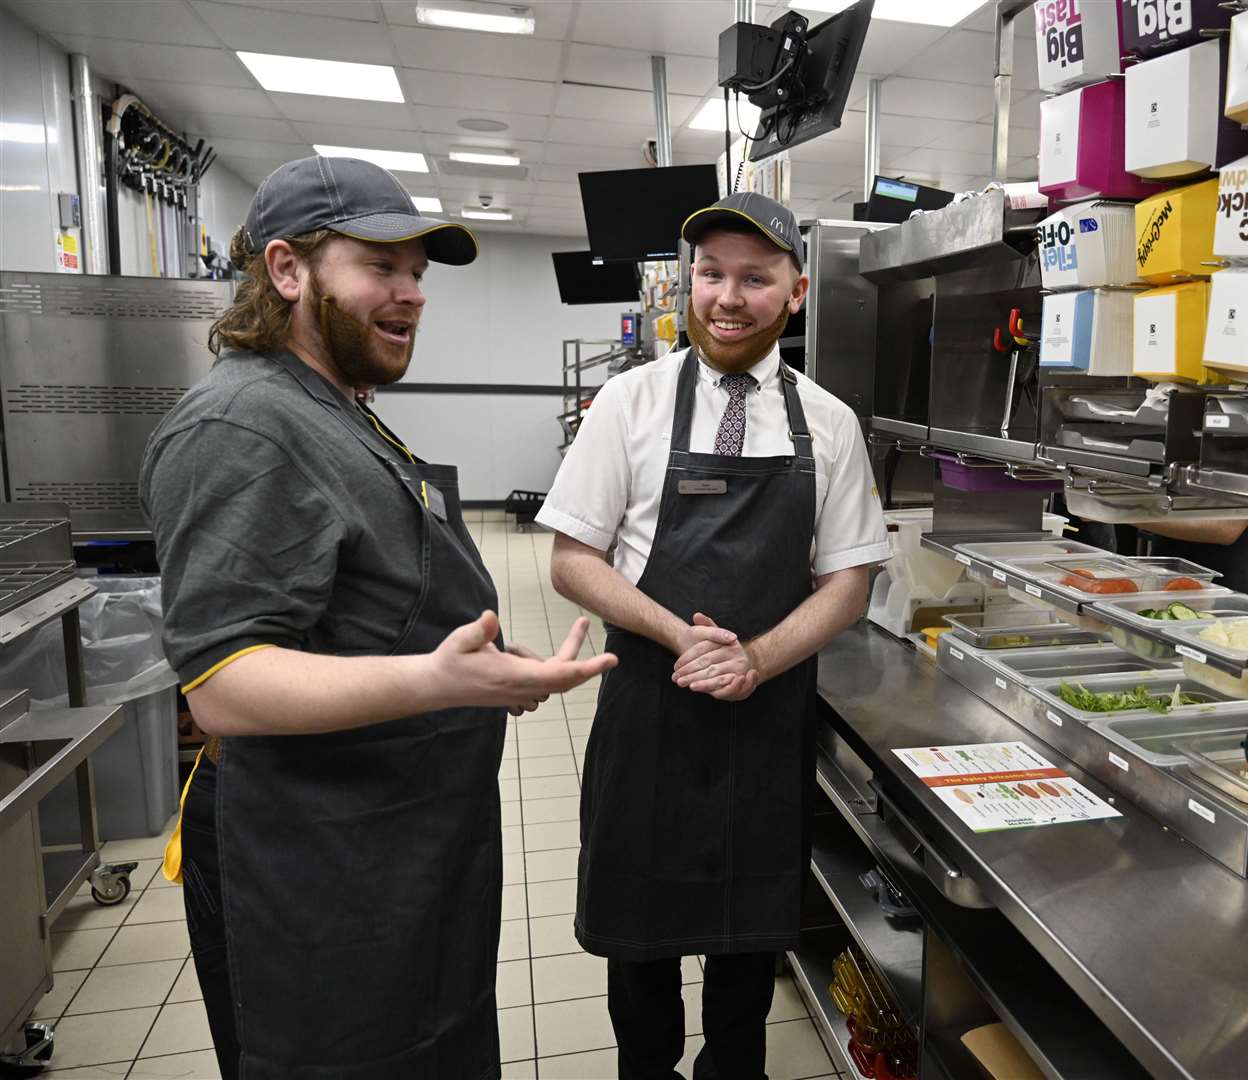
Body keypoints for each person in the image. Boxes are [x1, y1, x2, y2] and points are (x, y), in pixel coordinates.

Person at [140, 155, 616, 1080]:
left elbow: (366, 611)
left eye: (418, 276)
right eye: (381, 267)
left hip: (398, 855)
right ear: (287, 271)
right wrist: (440, 680)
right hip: (318, 879)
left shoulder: (335, 410)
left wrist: (483, 668)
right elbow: (227, 683)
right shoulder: (243, 425)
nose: (411, 294)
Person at [540, 192, 891, 1079]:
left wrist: (759, 658)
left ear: (796, 291)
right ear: (688, 284)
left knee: (746, 961)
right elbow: (573, 560)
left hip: (764, 721)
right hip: (650, 710)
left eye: (754, 278)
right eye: (711, 274)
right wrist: (682, 638)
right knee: (641, 957)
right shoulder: (630, 403)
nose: (727, 297)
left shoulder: (830, 424)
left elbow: (851, 580)